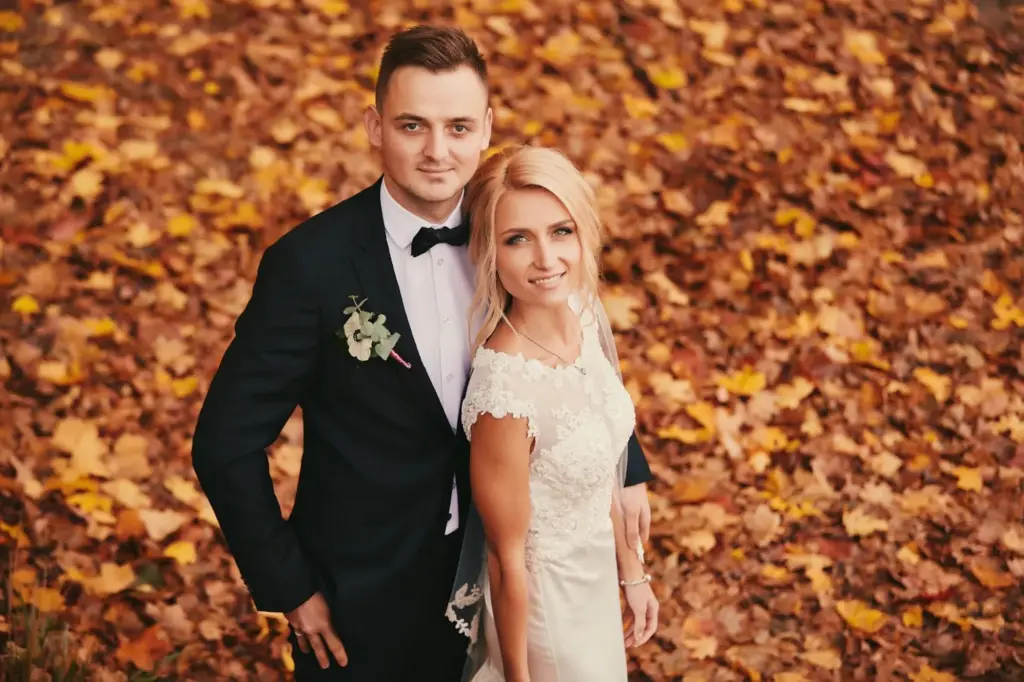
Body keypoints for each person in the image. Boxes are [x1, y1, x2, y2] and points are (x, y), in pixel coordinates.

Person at [190, 25, 653, 682]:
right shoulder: (310, 268)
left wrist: (623, 462)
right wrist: (289, 586)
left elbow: (570, 352)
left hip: (517, 579)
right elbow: (224, 443)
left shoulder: (514, 231)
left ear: (488, 127)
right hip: (367, 596)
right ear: (375, 127)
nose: (439, 151)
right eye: (413, 126)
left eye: (459, 127)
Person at [442, 146, 659, 682]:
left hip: (595, 588)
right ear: (490, 253)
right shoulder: (505, 390)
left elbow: (599, 456)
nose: (546, 259)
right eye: (518, 239)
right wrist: (519, 677)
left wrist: (632, 571)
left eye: (561, 231)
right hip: (547, 611)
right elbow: (504, 557)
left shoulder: (582, 314)